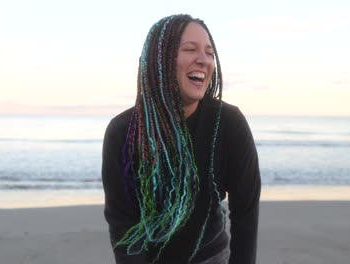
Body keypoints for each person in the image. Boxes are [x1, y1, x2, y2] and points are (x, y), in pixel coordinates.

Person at [102, 14, 261, 264]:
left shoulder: (229, 123)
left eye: (209, 52)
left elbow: (245, 212)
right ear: (160, 59)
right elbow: (122, 221)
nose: (203, 60)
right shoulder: (123, 131)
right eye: (190, 49)